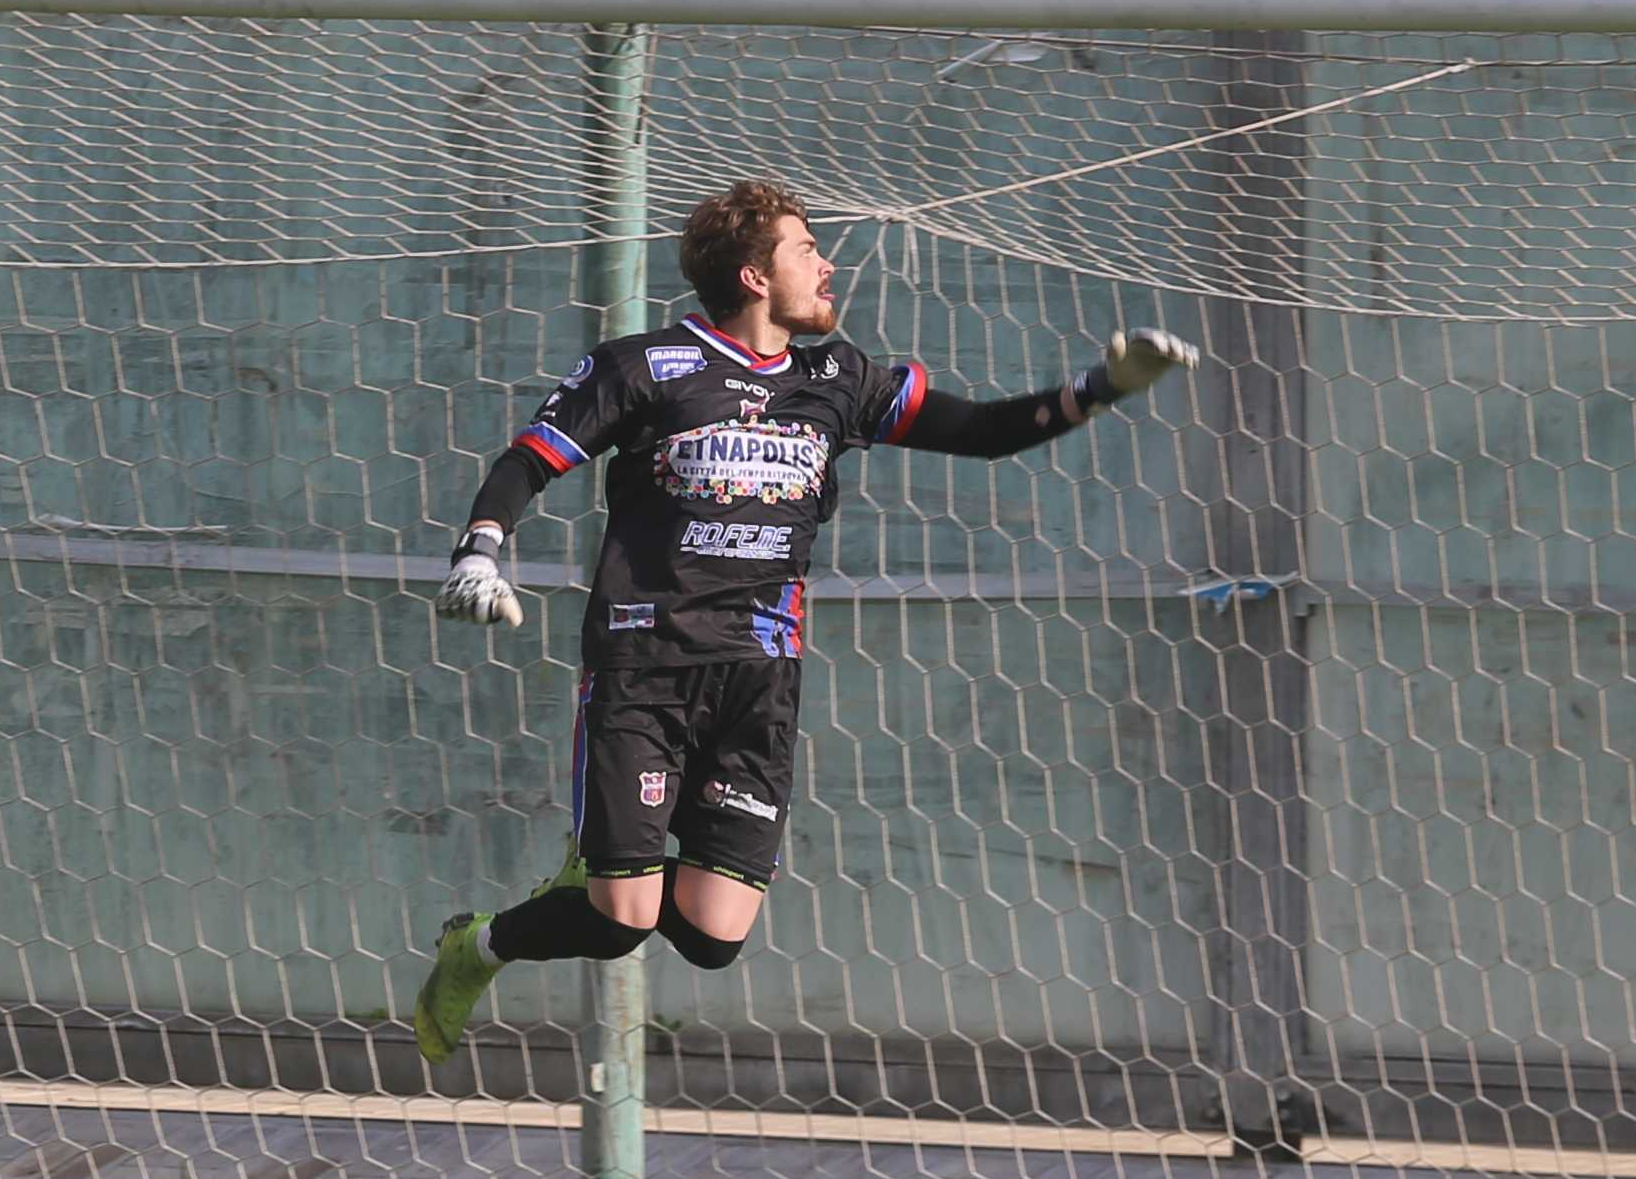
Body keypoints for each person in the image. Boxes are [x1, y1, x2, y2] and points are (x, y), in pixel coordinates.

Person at [406, 179, 1184, 1062]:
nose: (828, 264)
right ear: (753, 274)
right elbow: (529, 460)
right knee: (625, 919)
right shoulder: (644, 367)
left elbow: (983, 432)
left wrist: (1104, 386)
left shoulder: (837, 377)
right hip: (644, 668)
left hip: (760, 681)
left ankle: (605, 854)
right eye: (806, 249)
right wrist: (480, 548)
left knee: (711, 933)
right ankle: (481, 944)